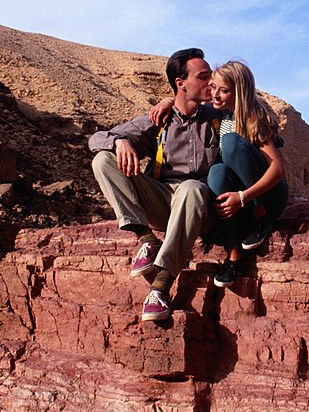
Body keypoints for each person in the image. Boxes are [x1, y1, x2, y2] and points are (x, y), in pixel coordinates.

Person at [88, 48, 220, 322]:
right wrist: (118, 142)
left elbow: (251, 110)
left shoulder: (218, 118)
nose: (211, 82)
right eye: (203, 76)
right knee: (103, 160)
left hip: (201, 205)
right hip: (161, 201)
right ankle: (146, 239)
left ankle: (161, 285)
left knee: (191, 188)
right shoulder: (160, 119)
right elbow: (96, 139)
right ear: (180, 83)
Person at [151, 60, 288, 287]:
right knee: (216, 173)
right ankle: (234, 256)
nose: (214, 94)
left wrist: (245, 197)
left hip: (267, 196)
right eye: (213, 87)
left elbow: (277, 169)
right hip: (242, 199)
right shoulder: (218, 113)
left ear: (239, 92)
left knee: (231, 143)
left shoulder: (253, 115)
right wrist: (167, 102)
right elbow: (186, 103)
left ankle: (261, 218)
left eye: (223, 91)